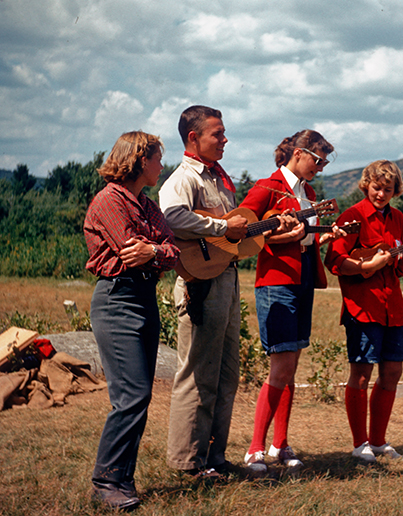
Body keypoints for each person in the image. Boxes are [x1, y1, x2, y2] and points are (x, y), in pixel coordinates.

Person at [158, 105, 291, 479]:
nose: (225, 139)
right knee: (198, 374)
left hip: (225, 279)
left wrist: (267, 227)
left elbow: (233, 235)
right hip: (200, 285)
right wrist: (220, 227)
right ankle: (189, 462)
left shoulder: (218, 178)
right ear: (193, 138)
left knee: (226, 375)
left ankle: (214, 457)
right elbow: (171, 216)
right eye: (217, 133)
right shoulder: (184, 178)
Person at [239, 129, 345, 473]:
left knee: (291, 366)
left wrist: (322, 236)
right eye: (318, 160)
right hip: (276, 282)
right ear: (298, 153)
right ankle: (254, 449)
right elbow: (241, 230)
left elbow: (303, 237)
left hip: (303, 279)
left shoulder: (308, 193)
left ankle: (280, 444)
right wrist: (278, 235)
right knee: (281, 367)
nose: (320, 168)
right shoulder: (266, 187)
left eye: (324, 163)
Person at [84, 131, 180, 510]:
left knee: (139, 396)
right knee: (131, 396)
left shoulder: (146, 204)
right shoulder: (109, 200)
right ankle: (105, 482)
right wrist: (156, 250)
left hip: (143, 298)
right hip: (117, 299)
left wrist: (153, 249)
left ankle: (122, 479)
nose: (162, 166)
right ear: (141, 160)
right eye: (158, 158)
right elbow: (129, 249)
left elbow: (171, 251)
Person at [324, 160, 403, 462]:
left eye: (388, 189)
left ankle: (379, 441)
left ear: (396, 191)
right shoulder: (352, 217)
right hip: (363, 307)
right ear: (366, 184)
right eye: (377, 187)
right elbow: (335, 261)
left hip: (392, 307)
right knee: (361, 374)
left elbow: (402, 267)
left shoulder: (398, 218)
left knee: (392, 371)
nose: (381, 194)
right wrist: (368, 265)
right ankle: (360, 444)